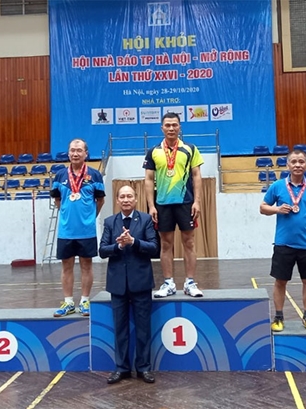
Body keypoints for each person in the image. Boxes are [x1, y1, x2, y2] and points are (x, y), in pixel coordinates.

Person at [99, 185, 158, 384]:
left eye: (129, 196)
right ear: (117, 200)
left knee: (143, 329)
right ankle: (122, 368)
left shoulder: (146, 219)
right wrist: (118, 246)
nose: (126, 200)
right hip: (117, 285)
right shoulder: (109, 222)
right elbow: (102, 250)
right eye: (122, 196)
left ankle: (144, 368)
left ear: (136, 199)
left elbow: (154, 247)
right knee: (120, 329)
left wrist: (134, 242)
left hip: (141, 283)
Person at [260, 150, 306, 332]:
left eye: (301, 161)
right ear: (287, 165)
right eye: (293, 161)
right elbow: (263, 207)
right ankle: (278, 317)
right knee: (280, 281)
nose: (297, 165)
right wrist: (277, 209)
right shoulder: (277, 186)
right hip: (283, 244)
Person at [143, 112, 204, 298]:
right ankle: (168, 283)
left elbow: (196, 176)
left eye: (174, 125)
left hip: (186, 203)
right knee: (166, 244)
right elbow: (148, 179)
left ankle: (190, 283)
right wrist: (151, 206)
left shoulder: (190, 149)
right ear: (162, 128)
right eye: (167, 125)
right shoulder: (154, 151)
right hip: (162, 204)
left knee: (189, 242)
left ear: (180, 127)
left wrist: (197, 201)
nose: (171, 128)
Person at [50, 138, 105, 317]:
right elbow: (57, 199)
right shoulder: (60, 176)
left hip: (86, 231)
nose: (75, 153)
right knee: (66, 267)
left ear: (86, 153)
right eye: (72, 150)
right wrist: (67, 215)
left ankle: (85, 301)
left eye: (79, 150)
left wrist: (89, 218)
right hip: (66, 231)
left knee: (86, 266)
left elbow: (100, 200)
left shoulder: (95, 175)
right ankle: (68, 303)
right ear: (68, 153)